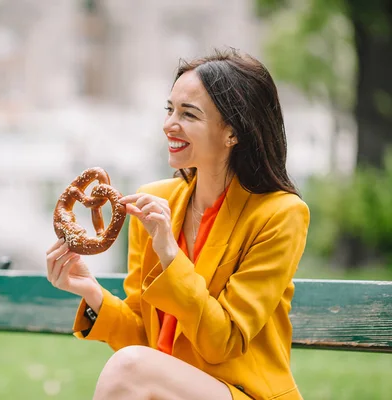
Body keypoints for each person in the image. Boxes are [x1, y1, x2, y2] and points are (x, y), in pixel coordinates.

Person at [46, 48, 310, 400]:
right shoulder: (156, 201)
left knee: (130, 368)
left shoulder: (280, 215)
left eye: (189, 114)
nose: (169, 124)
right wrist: (90, 290)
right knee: (131, 365)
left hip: (244, 393)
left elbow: (223, 342)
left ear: (232, 133)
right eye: (170, 109)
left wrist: (170, 254)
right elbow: (144, 343)